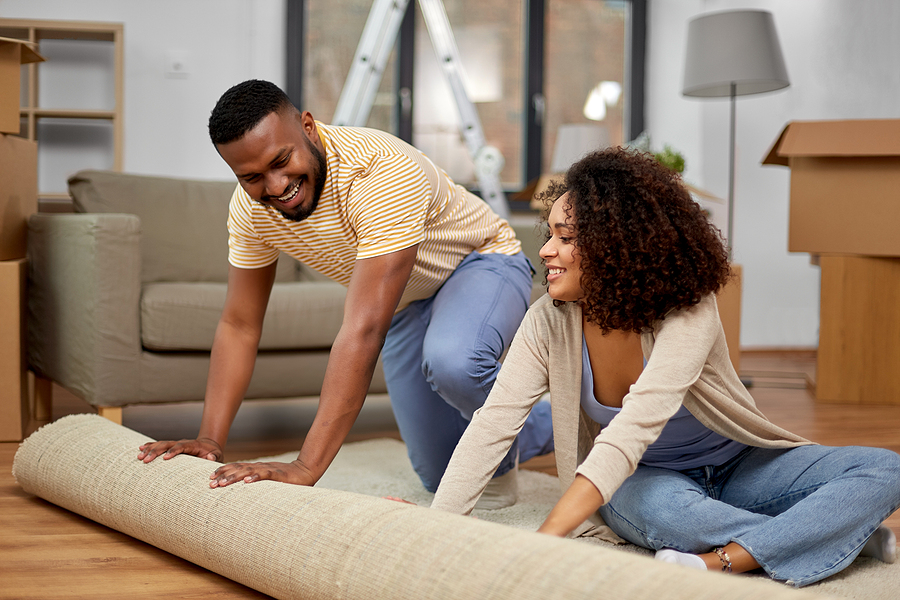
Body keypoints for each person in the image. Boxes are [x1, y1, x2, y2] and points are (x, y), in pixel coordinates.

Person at [429, 147, 900, 587]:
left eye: (565, 237)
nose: (546, 250)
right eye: (549, 233)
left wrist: (541, 543)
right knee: (665, 512)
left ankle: (719, 560)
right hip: (646, 479)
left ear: (618, 246)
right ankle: (837, 538)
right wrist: (432, 526)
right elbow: (495, 424)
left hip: (740, 466)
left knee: (884, 469)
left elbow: (638, 419)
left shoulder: (688, 309)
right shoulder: (547, 321)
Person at [137, 79, 553, 504]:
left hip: (480, 263)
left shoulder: (379, 171)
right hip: (407, 302)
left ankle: (572, 418)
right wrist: (210, 439)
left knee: (454, 362)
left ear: (308, 127)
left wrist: (306, 466)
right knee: (439, 472)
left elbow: (364, 329)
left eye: (282, 160)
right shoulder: (250, 211)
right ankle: (540, 426)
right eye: (253, 177)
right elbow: (240, 324)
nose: (276, 186)